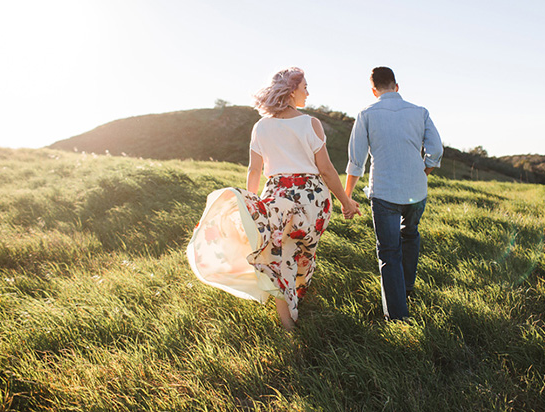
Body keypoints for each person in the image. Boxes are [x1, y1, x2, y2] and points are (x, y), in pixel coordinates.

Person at [187, 67, 359, 331]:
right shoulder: (309, 123)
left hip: (275, 200)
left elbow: (254, 170)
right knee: (299, 253)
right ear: (292, 91)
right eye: (304, 87)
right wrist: (346, 202)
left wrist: (253, 208)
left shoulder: (261, 127)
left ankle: (288, 313)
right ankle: (293, 308)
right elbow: (325, 169)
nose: (308, 92)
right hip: (311, 201)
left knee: (281, 254)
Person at [344, 66, 443, 321]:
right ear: (397, 86)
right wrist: (425, 171)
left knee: (389, 252)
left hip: (385, 192)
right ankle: (406, 288)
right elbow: (436, 149)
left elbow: (357, 161)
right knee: (410, 235)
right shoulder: (420, 112)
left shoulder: (367, 113)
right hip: (417, 190)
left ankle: (398, 317)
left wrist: (347, 197)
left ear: (373, 90)